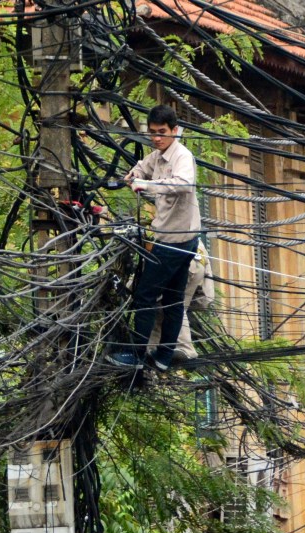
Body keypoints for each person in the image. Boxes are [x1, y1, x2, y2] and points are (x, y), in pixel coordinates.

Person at [105, 104, 201, 371]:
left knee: (145, 297)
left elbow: (184, 183)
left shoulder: (182, 156)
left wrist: (146, 185)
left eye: (162, 132)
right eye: (153, 133)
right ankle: (163, 357)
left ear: (175, 131)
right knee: (172, 299)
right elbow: (142, 167)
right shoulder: (157, 156)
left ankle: (135, 356)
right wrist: (136, 174)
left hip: (174, 242)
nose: (157, 138)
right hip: (176, 240)